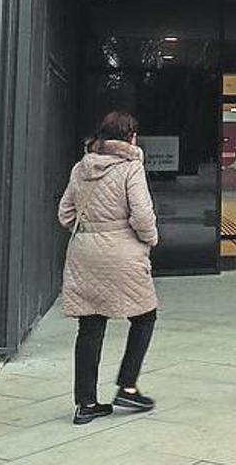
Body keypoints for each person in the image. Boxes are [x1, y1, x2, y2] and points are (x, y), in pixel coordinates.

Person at [57, 111, 159, 425]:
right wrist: (150, 239)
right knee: (144, 316)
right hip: (122, 253)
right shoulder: (131, 168)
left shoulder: (80, 167)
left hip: (84, 253)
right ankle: (127, 386)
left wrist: (92, 229)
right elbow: (142, 216)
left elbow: (65, 214)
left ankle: (85, 403)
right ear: (131, 137)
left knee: (90, 327)